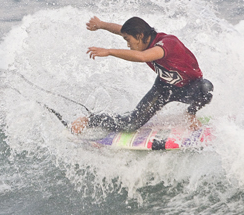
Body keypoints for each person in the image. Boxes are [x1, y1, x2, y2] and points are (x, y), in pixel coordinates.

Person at [71, 16, 213, 134]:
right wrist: (101, 24)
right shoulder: (143, 38)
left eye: (128, 40)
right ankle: (89, 120)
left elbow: (143, 57)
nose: (128, 45)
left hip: (189, 88)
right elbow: (121, 30)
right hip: (163, 88)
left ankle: (190, 114)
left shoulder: (168, 43)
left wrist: (109, 51)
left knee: (206, 88)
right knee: (129, 125)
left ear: (139, 36)